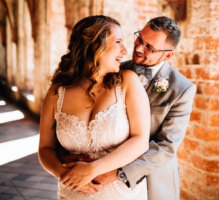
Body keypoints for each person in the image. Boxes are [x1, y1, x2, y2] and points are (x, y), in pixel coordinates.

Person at [61, 16, 197, 200]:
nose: (139, 48)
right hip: (102, 176)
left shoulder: (181, 88)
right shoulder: (112, 69)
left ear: (168, 55)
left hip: (153, 179)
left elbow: (166, 146)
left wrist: (118, 172)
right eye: (140, 39)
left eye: (150, 48)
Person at [38, 15, 151, 199]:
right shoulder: (56, 92)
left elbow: (140, 140)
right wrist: (63, 174)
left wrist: (91, 169)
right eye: (118, 42)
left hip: (121, 193)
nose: (124, 50)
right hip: (73, 192)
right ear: (94, 45)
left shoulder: (128, 82)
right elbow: (45, 149)